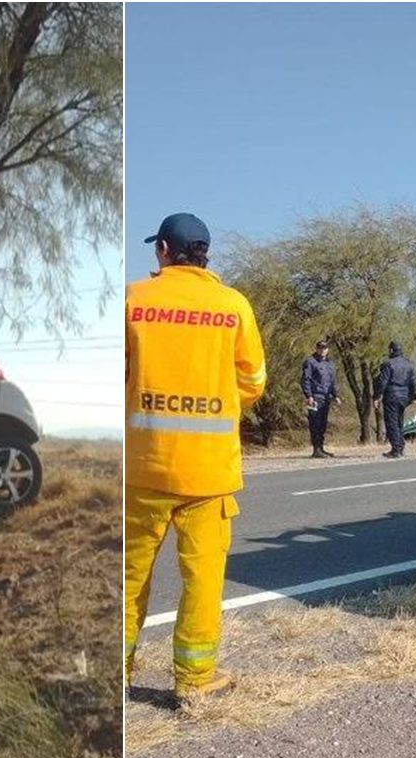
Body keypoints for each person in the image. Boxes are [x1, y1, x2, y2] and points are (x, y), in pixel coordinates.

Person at [124, 212, 267, 703]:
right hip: (209, 472)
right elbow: (253, 381)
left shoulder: (133, 299)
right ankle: (194, 683)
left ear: (164, 249)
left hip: (143, 467)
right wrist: (217, 402)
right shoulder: (233, 307)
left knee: (128, 578)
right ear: (205, 253)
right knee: (203, 580)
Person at [374, 340, 416, 459]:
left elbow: (383, 381)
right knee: (399, 422)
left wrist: (377, 396)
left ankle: (395, 450)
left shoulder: (387, 364)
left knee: (392, 422)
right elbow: (414, 381)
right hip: (404, 397)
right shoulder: (409, 364)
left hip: (391, 396)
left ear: (391, 350)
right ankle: (401, 447)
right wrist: (414, 396)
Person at [300, 339, 341, 458]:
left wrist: (336, 395)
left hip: (326, 397)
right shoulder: (310, 362)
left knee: (323, 424)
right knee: (315, 423)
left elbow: (332, 381)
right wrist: (309, 396)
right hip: (315, 397)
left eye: (325, 348)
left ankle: (321, 448)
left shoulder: (330, 364)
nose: (323, 350)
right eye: (321, 348)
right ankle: (316, 449)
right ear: (316, 349)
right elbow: (305, 380)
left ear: (328, 350)